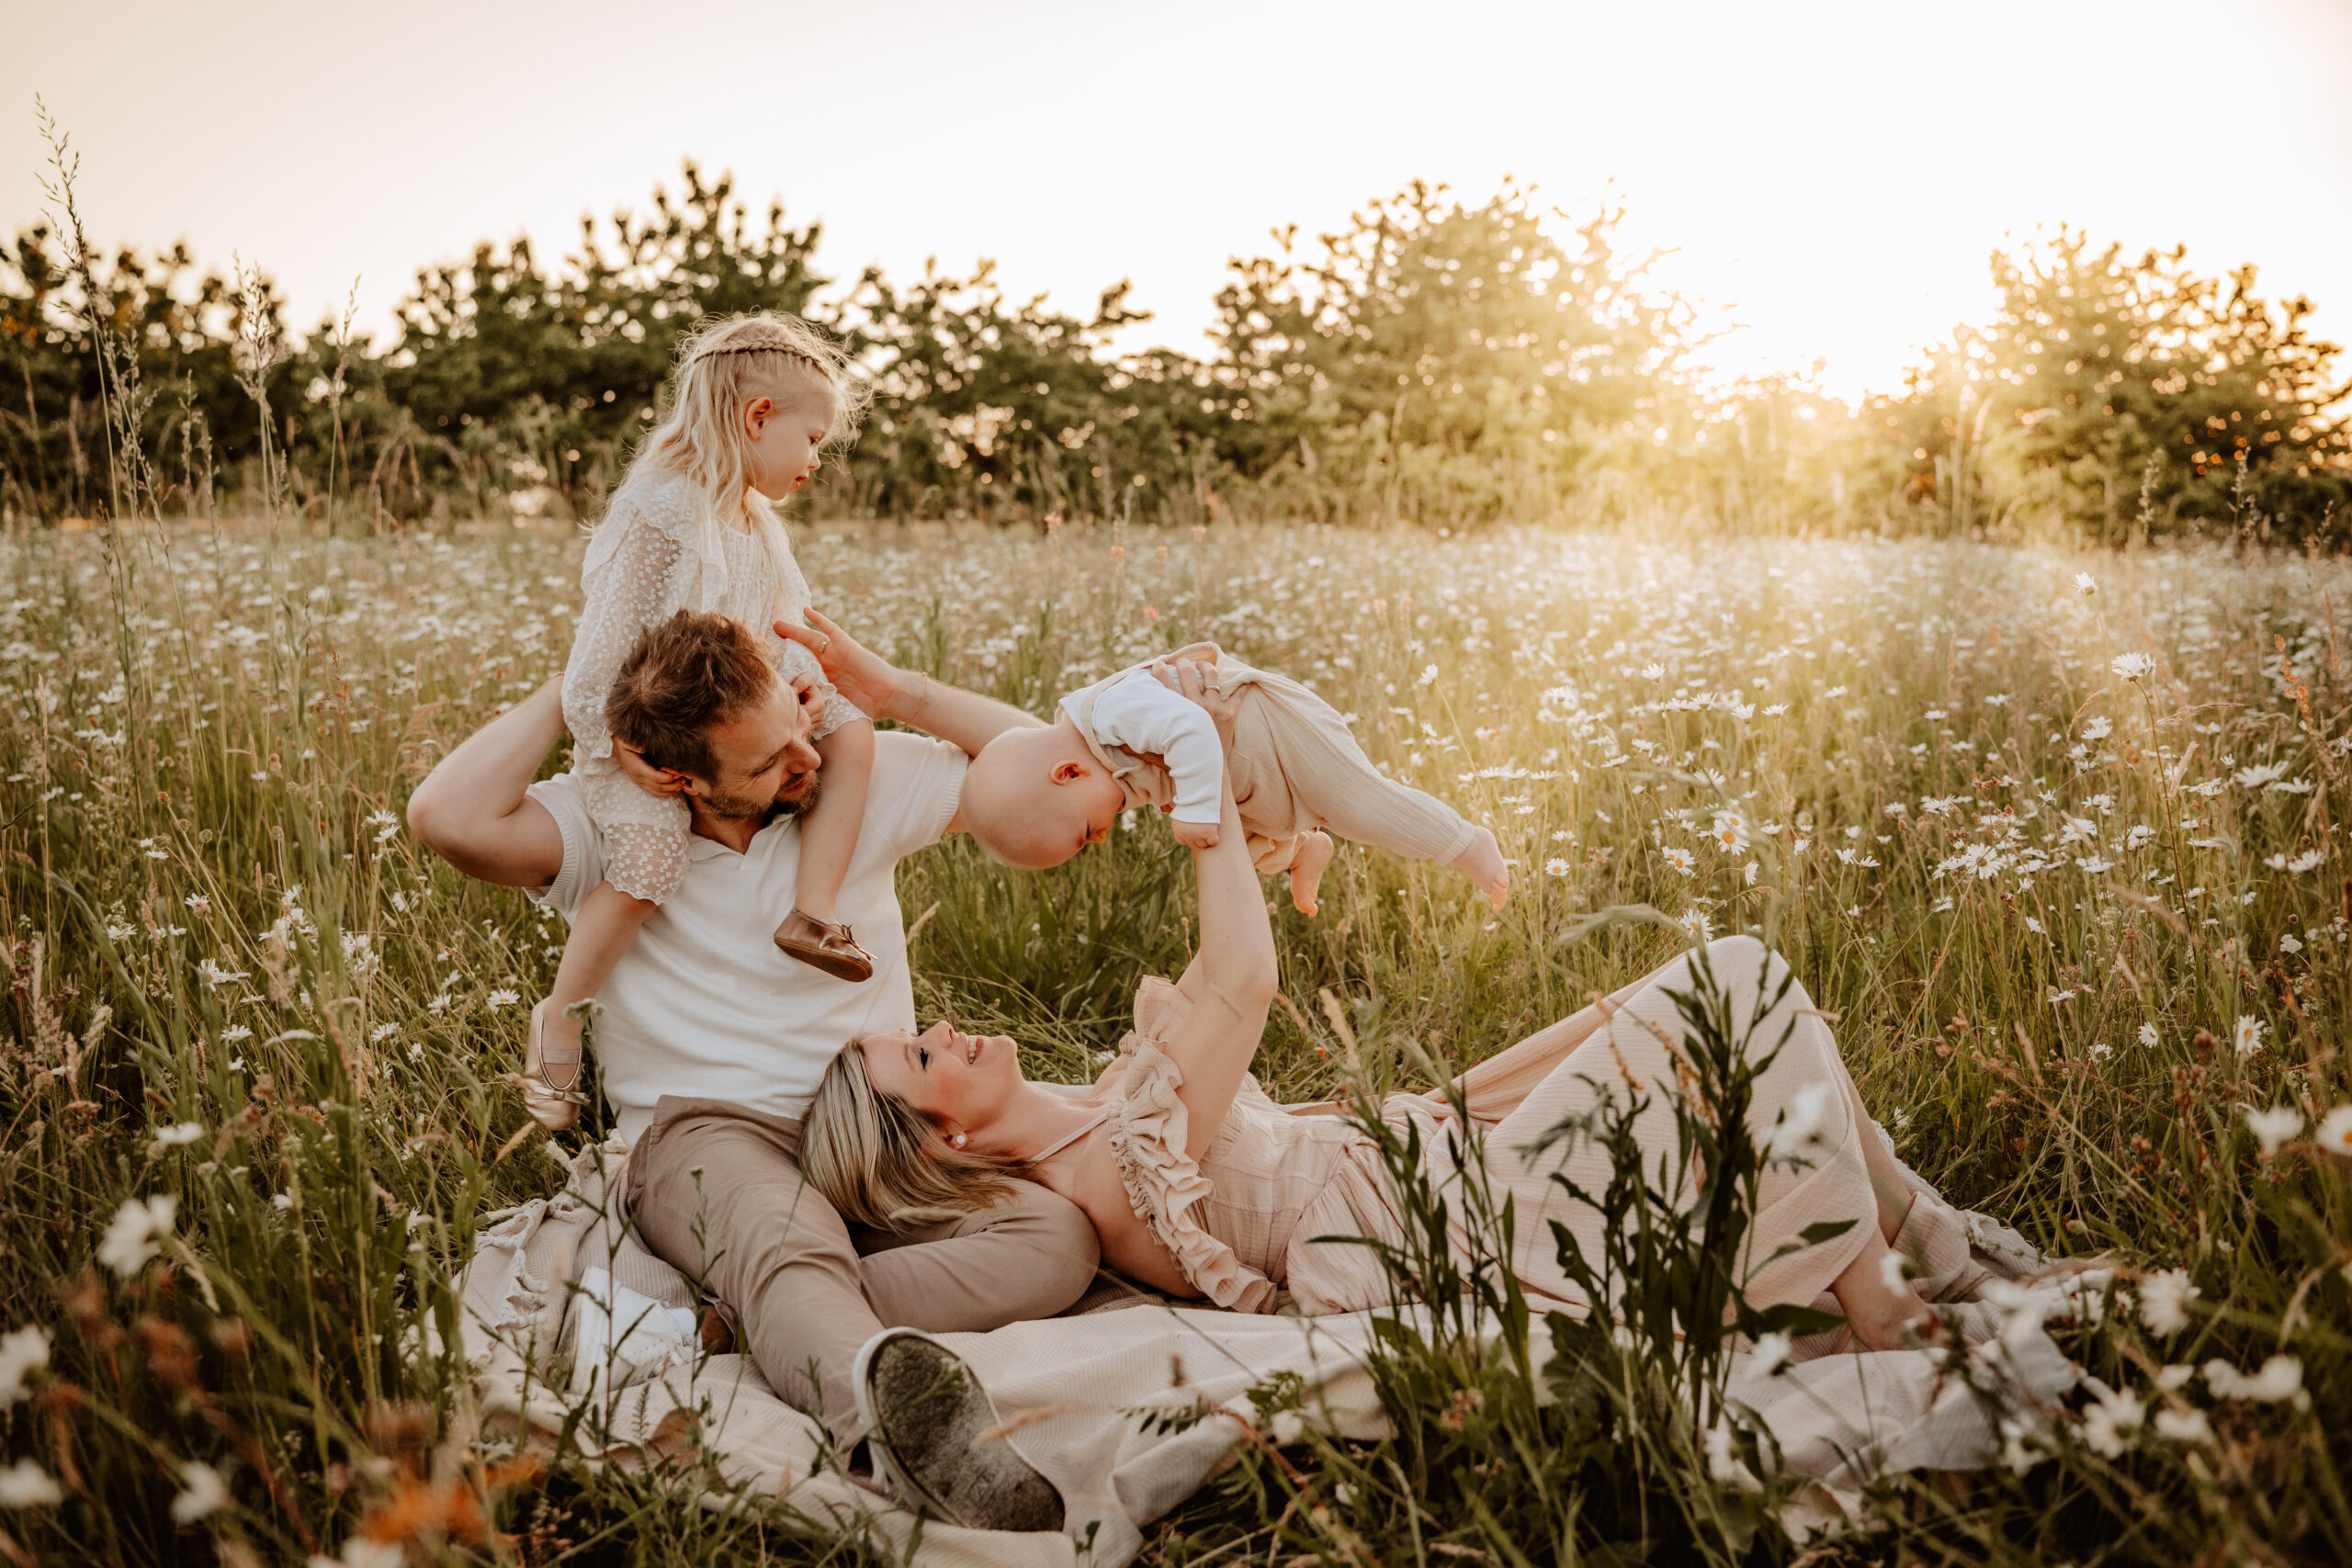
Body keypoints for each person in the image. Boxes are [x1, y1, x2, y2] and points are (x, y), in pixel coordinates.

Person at [802, 664, 2013, 1348]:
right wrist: (1199, 785)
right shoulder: (1110, 1173)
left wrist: (882, 683)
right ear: (947, 1140)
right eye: (923, 1052)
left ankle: (1933, 1248)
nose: (946, 1024)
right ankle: (1891, 1319)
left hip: (1422, 1133)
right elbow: (1244, 981)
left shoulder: (1087, 1121)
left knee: (1720, 996)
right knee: (1742, 980)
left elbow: (1028, 750)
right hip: (1453, 1204)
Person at [407, 607, 1095, 1530]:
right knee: (776, 1230)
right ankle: (896, 1429)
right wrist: (577, 680)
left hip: (875, 1123)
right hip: (704, 1135)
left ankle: (751, 1319)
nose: (806, 763)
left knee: (1057, 1237)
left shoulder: (852, 785)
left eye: (797, 730)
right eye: (769, 762)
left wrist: (893, 695)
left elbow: (1041, 777)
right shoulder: (609, 834)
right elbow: (443, 818)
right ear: (669, 772)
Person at [532, 312, 878, 1135]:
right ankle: (561, 1013)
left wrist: (803, 695)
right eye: (811, 436)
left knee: (857, 726)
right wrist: (627, 748)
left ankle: (814, 908)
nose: (816, 458)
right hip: (653, 742)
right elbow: (596, 668)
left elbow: (779, 637)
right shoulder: (663, 510)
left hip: (742, 725)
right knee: (651, 856)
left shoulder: (757, 524)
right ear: (759, 417)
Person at [956, 642, 1509, 916]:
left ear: (1068, 772)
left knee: (1355, 805)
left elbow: (1196, 725)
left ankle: (1464, 842)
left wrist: (1195, 806)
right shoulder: (1102, 767)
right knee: (1241, 856)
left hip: (1278, 732)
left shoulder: (1110, 715)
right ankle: (1300, 852)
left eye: (1085, 833)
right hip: (1248, 777)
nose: (1100, 838)